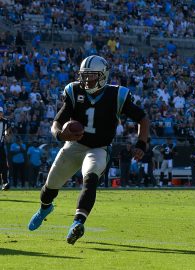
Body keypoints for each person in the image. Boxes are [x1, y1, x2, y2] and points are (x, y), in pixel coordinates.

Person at [28, 55, 149, 245]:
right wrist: (60, 135)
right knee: (50, 187)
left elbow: (143, 118)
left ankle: (77, 223)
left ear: (102, 76)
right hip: (74, 145)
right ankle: (45, 208)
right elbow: (57, 122)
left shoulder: (116, 95)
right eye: (84, 75)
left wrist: (141, 143)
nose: (86, 80)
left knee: (90, 178)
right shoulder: (74, 91)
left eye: (91, 76)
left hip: (99, 148)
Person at [0, 107, 11, 190]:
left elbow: (7, 130)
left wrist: (7, 134)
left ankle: (5, 182)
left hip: (1, 145)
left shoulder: (5, 121)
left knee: (4, 164)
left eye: (1, 112)